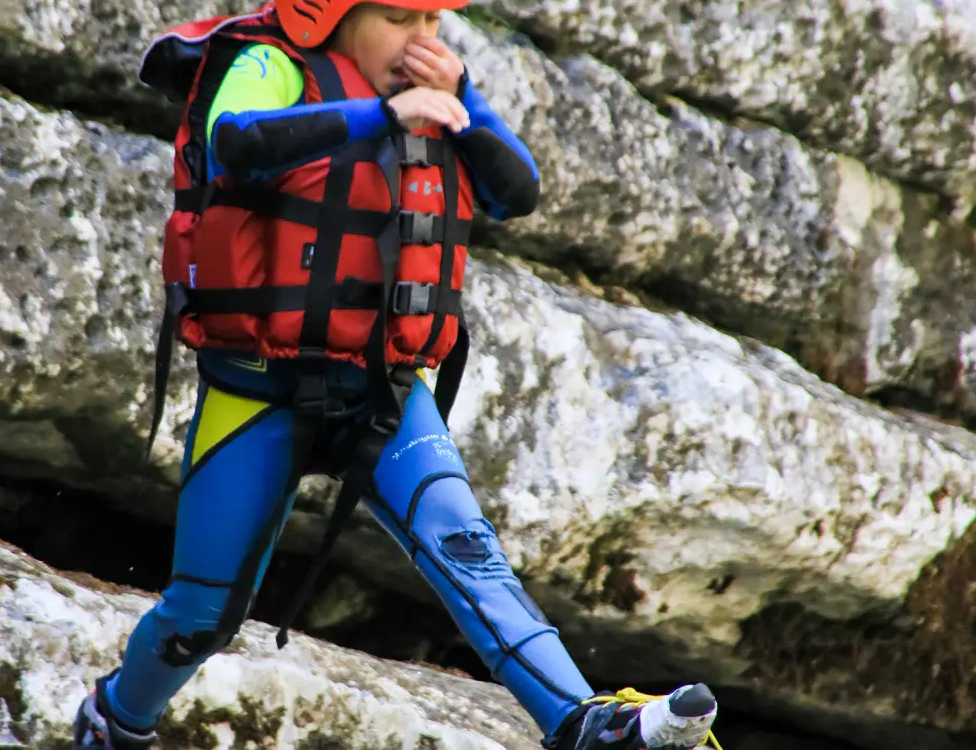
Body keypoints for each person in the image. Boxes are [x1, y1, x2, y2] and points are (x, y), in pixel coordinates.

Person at [72, 0, 723, 747]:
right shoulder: (268, 63)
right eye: (400, 19)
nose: (423, 43)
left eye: (433, 24)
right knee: (200, 617)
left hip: (382, 392)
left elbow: (518, 191)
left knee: (466, 548)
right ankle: (117, 721)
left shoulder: (441, 94)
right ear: (333, 15)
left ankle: (582, 726)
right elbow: (234, 144)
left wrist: (465, 95)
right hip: (257, 388)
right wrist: (378, 116)